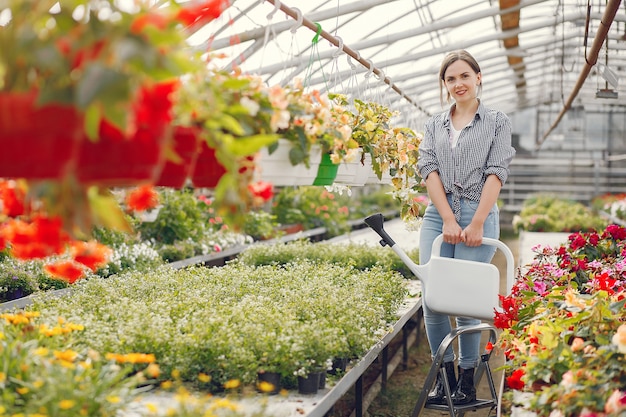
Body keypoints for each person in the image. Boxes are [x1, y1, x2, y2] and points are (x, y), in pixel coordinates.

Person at [417, 49, 515, 405]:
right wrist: (445, 217)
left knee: (465, 300)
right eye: (450, 79)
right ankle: (443, 375)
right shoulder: (434, 124)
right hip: (438, 214)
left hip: (479, 212)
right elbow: (428, 169)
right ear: (444, 85)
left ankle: (467, 378)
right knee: (433, 297)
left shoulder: (497, 122)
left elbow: (497, 172)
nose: (458, 84)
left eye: (464, 76)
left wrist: (475, 222)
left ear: (478, 77)